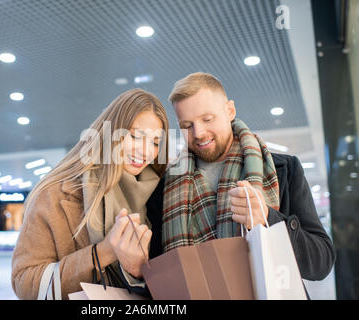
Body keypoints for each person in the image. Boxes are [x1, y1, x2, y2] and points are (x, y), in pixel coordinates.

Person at [125, 72, 335, 295]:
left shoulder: (284, 169)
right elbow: (159, 282)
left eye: (207, 119)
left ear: (230, 110)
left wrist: (268, 218)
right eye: (187, 125)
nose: (199, 133)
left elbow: (321, 262)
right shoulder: (163, 188)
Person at [11, 88, 169, 299]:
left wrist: (137, 270)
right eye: (135, 136)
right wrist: (103, 252)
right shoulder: (56, 194)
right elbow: (24, 283)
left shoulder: (156, 194)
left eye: (155, 142)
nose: (146, 151)